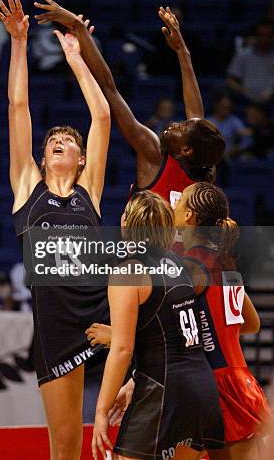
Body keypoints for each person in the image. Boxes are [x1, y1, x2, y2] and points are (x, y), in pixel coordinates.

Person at [0, 0, 110, 460]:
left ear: (82, 159)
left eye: (69, 141)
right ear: (42, 158)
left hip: (108, 317)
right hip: (59, 329)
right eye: (53, 141)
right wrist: (19, 44)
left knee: (156, 421)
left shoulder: (91, 190)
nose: (61, 141)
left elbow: (100, 117)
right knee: (66, 447)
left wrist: (77, 58)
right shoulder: (28, 189)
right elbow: (17, 106)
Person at [33, 0, 225, 211]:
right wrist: (182, 52)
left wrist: (79, 27)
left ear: (187, 149)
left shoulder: (154, 154)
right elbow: (196, 116)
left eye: (180, 127)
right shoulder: (204, 178)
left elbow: (109, 88)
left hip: (145, 246)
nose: (173, 124)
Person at [91, 191, 224, 460]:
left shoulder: (128, 272)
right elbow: (167, 336)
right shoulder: (183, 265)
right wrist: (132, 383)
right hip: (201, 388)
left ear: (126, 223)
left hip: (164, 391)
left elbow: (122, 349)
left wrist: (101, 410)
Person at [173, 182, 272, 459]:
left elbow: (163, 322)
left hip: (213, 384)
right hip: (240, 380)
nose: (175, 204)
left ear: (190, 216)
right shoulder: (225, 263)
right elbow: (252, 324)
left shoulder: (189, 266)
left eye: (180, 201)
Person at [226, 21, 274, 104]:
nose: (264, 38)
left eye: (268, 36)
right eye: (261, 35)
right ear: (255, 36)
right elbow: (230, 80)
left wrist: (271, 93)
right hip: (245, 100)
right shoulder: (243, 54)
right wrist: (244, 91)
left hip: (271, 101)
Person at [206, 95, 250, 159]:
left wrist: (238, 148)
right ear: (216, 106)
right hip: (210, 157)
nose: (225, 110)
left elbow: (247, 136)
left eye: (228, 108)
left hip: (229, 157)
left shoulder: (234, 120)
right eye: (223, 107)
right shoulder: (207, 121)